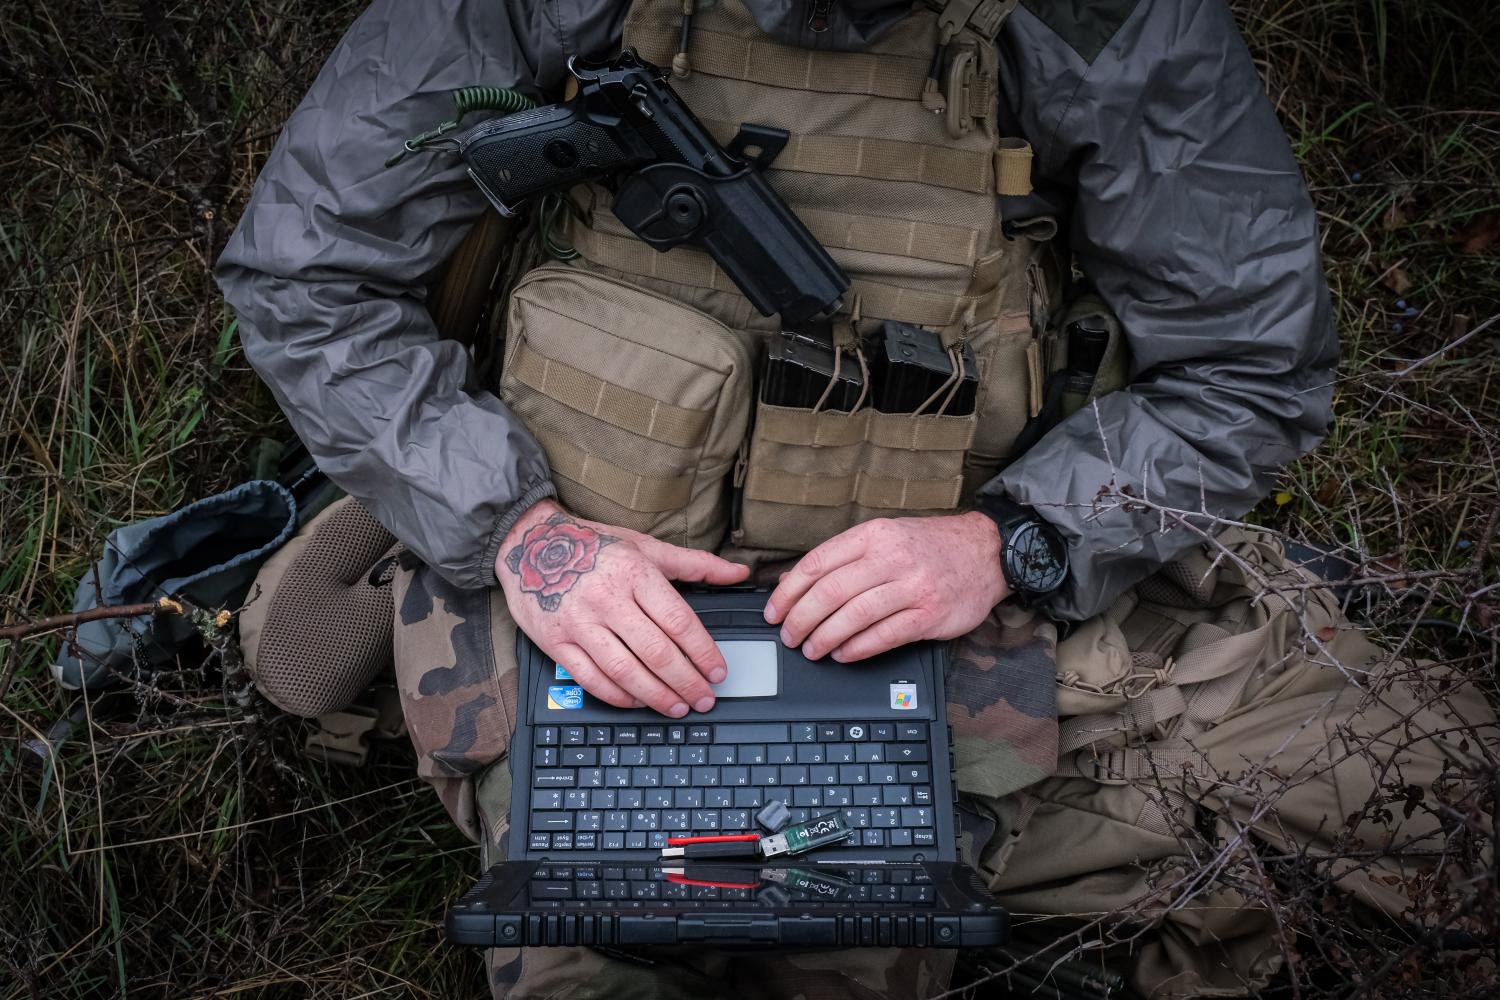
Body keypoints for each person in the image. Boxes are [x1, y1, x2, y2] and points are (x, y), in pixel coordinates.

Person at [215, 1, 1452, 996]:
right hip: (595, 589)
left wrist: (1016, 539)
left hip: (946, 608)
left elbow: (1252, 365)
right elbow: (306, 271)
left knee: (1439, 798)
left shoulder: (1104, 22)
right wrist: (523, 535)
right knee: (611, 930)